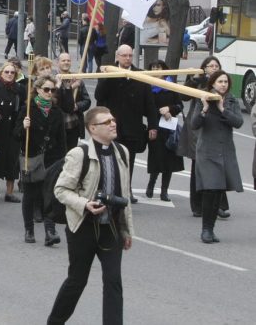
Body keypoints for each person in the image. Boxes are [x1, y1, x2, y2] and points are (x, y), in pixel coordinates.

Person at [47, 107, 133, 325]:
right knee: (77, 280)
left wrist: (126, 230)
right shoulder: (79, 154)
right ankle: (55, 322)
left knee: (113, 281)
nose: (113, 124)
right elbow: (61, 190)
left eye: (113, 119)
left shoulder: (122, 152)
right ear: (93, 128)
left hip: (111, 228)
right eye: (107, 122)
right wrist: (85, 204)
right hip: (83, 227)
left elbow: (125, 195)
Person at [187, 70, 244, 244]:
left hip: (225, 151)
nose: (223, 84)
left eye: (226, 82)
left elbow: (239, 122)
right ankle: (206, 229)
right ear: (212, 83)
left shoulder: (231, 101)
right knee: (210, 189)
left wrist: (222, 109)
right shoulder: (202, 98)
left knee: (219, 190)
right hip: (207, 152)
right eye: (220, 81)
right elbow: (194, 124)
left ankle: (211, 229)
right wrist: (204, 109)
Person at [94, 44, 156, 203]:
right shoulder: (109, 72)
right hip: (111, 127)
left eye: (130, 55)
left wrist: (152, 125)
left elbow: (150, 103)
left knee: (129, 161)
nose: (128, 58)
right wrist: (107, 76)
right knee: (109, 160)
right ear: (117, 56)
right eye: (124, 56)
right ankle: (109, 189)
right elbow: (99, 95)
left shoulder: (140, 75)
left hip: (132, 127)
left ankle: (127, 190)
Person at [16, 75, 65, 246]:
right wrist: (24, 127)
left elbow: (62, 139)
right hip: (32, 156)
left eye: (52, 90)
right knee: (31, 195)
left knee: (49, 195)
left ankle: (49, 231)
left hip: (51, 158)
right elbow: (16, 135)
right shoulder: (27, 110)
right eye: (46, 89)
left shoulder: (57, 112)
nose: (49, 93)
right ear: (37, 89)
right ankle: (29, 229)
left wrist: (63, 161)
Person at [178, 56, 223, 218]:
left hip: (216, 129)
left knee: (217, 166)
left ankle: (218, 204)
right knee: (199, 166)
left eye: (216, 66)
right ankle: (197, 205)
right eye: (210, 66)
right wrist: (194, 80)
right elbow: (183, 97)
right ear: (204, 68)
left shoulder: (222, 82)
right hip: (198, 128)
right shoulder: (198, 81)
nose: (214, 68)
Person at [144, 60, 184, 202]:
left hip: (170, 129)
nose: (156, 70)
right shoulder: (147, 87)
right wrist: (160, 112)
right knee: (156, 158)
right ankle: (151, 185)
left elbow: (180, 105)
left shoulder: (171, 85)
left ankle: (164, 191)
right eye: (153, 67)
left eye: (158, 67)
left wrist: (170, 109)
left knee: (169, 161)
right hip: (155, 127)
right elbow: (145, 109)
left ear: (164, 70)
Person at [55, 52, 91, 151]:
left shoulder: (77, 79)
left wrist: (77, 106)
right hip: (58, 126)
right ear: (57, 62)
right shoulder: (53, 80)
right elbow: (56, 101)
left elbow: (87, 101)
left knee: (71, 155)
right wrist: (70, 88)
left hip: (73, 126)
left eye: (68, 60)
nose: (66, 62)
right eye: (63, 60)